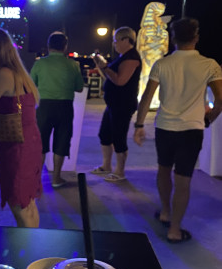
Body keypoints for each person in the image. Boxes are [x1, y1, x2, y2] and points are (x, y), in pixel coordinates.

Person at [134, 17, 222, 243]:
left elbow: (146, 97)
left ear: (173, 38)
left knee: (163, 170)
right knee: (183, 179)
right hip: (191, 129)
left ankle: (165, 211)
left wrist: (139, 125)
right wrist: (209, 118)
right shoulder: (209, 65)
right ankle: (174, 229)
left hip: (165, 127)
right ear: (196, 37)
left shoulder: (162, 64)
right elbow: (220, 99)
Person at [0, 27, 42, 228]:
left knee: (19, 203)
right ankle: (34, 242)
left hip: (17, 147)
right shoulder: (18, 72)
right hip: (29, 142)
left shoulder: (3, 74)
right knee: (28, 203)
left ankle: (28, 245)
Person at [30, 32, 84, 188]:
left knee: (41, 142)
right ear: (65, 47)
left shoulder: (40, 64)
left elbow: (32, 85)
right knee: (62, 141)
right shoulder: (73, 65)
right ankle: (56, 178)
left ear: (48, 46)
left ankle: (36, 180)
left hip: (44, 107)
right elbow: (79, 87)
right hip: (65, 107)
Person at [91, 26, 141, 182]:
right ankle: (106, 165)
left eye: (116, 40)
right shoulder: (122, 57)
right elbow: (109, 78)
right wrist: (101, 66)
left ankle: (120, 171)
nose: (114, 44)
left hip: (123, 104)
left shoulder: (131, 58)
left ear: (126, 40)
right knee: (105, 135)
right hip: (113, 104)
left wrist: (105, 67)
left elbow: (120, 80)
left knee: (119, 137)